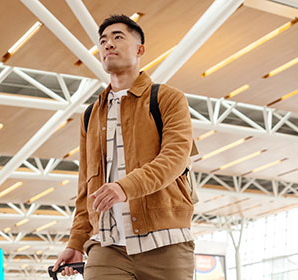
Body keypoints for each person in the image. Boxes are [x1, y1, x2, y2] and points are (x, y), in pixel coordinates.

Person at [52, 14, 196, 279]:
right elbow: (86, 187)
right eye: (103, 40)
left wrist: (124, 187)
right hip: (107, 245)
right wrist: (76, 242)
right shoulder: (90, 114)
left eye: (118, 37)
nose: (108, 45)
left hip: (166, 242)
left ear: (140, 49)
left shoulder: (168, 98)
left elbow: (174, 159)